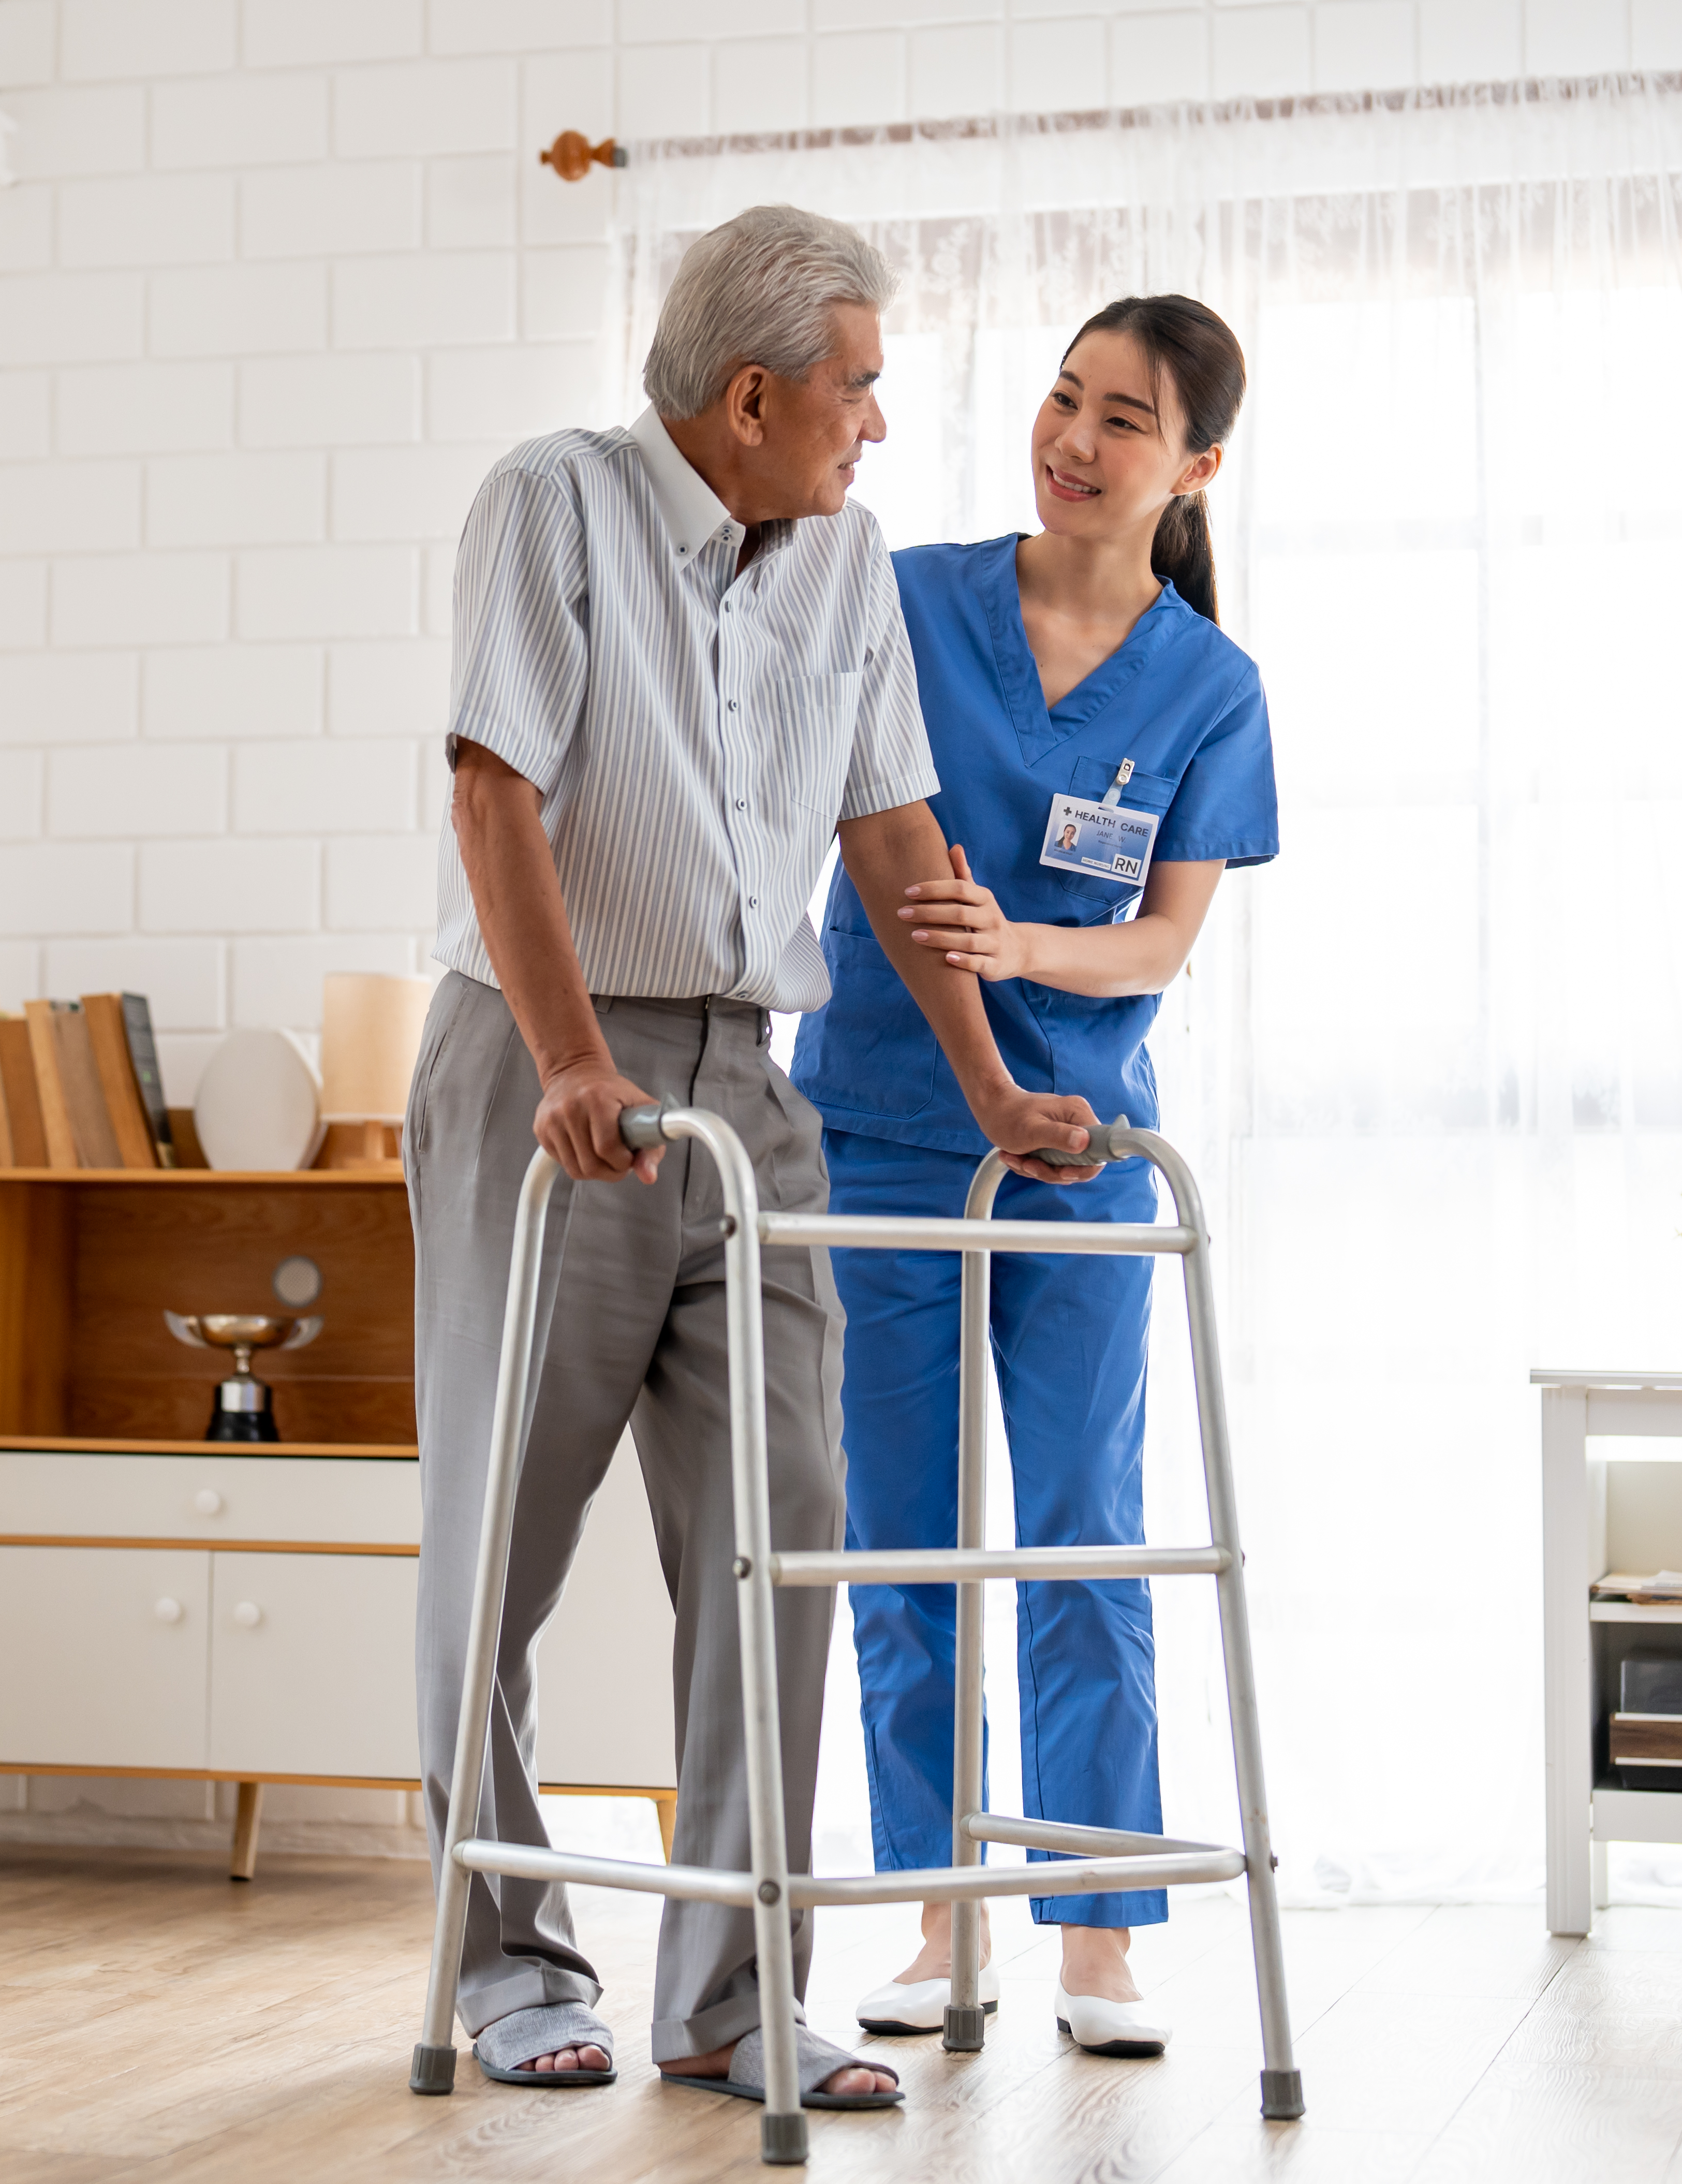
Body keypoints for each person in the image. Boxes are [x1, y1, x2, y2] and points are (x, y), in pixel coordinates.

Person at [409, 206, 1098, 2112]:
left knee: (775, 1539)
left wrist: (988, 1090)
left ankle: (727, 1990)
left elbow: (891, 842)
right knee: (500, 1547)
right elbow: (496, 790)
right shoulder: (551, 504)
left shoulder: (848, 564)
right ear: (748, 393)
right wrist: (561, 1057)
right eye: (857, 386)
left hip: (748, 1086)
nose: (877, 423)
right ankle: (511, 1957)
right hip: (543, 1066)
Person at [791, 295, 1278, 2059]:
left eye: (1122, 421)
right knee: (900, 1533)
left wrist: (1016, 944)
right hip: (877, 1126)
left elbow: (1157, 943)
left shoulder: (1210, 687)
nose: (1071, 441)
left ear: (1196, 465)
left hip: (1074, 1143)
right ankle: (937, 1916)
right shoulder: (902, 595)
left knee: (1085, 1526)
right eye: (1061, 400)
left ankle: (1091, 1932)